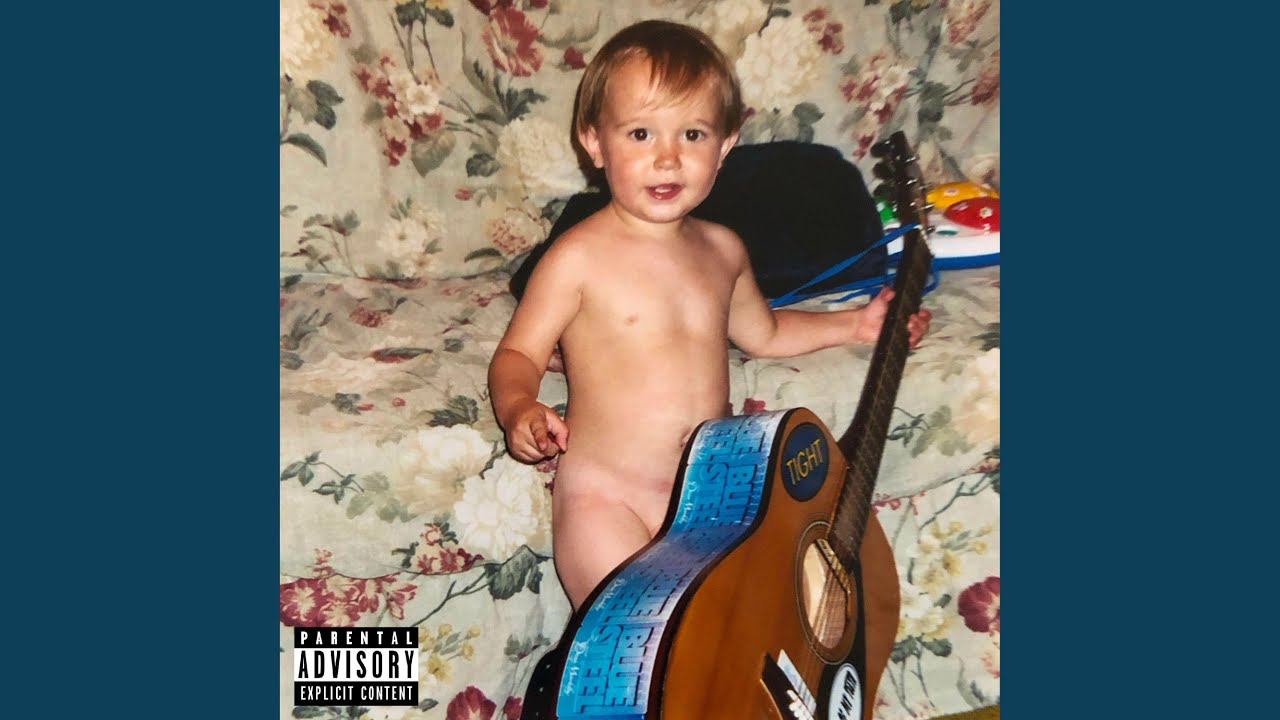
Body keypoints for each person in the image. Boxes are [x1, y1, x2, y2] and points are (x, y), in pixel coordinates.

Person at [487, 19, 931, 610]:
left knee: (729, 635)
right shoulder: (577, 258)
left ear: (723, 148)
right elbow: (519, 353)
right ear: (594, 143)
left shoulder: (723, 250)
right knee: (632, 633)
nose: (667, 158)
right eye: (640, 133)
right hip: (607, 497)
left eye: (692, 134)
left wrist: (855, 324)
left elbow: (765, 333)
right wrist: (519, 407)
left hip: (710, 502)